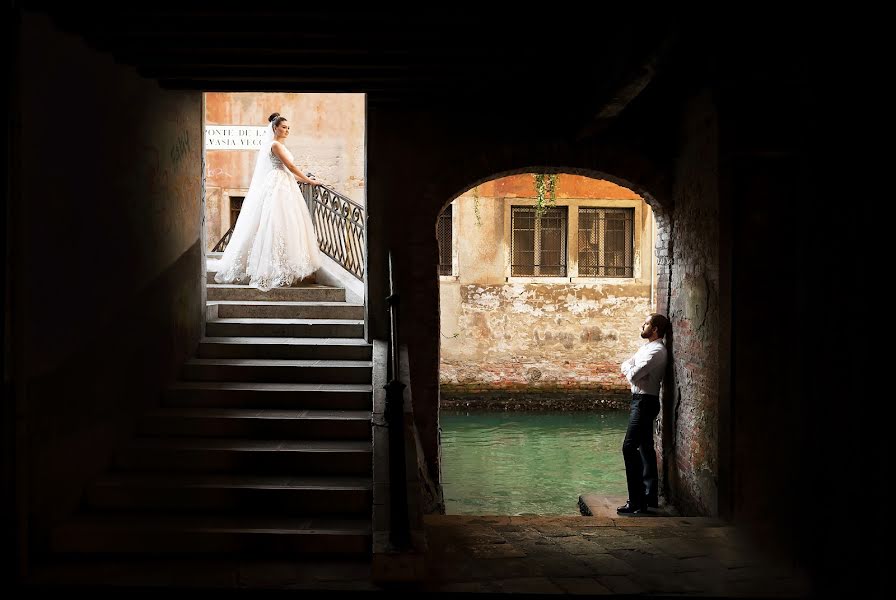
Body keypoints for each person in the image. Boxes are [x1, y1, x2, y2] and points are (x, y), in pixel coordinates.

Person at [211, 112, 323, 291]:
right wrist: (310, 181)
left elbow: (289, 171)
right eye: (283, 127)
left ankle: (285, 265)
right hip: (277, 185)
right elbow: (291, 166)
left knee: (287, 224)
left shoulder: (281, 146)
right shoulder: (275, 145)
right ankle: (270, 268)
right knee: (274, 223)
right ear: (274, 128)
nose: (286, 130)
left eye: (288, 128)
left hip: (285, 183)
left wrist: (303, 180)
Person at [617, 313, 670, 515]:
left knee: (629, 448)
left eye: (646, 323)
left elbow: (632, 374)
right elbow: (627, 365)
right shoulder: (646, 348)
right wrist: (630, 368)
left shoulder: (656, 351)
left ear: (655, 329)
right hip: (642, 401)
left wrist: (630, 370)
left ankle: (637, 502)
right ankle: (649, 497)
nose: (643, 325)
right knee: (646, 448)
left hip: (645, 402)